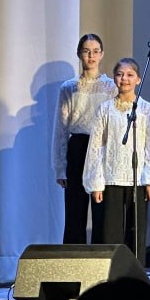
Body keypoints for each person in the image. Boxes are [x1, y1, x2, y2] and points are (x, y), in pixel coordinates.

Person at [83, 58, 150, 259]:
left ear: (138, 79)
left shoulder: (146, 109)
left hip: (137, 179)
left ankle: (135, 273)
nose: (124, 79)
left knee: (136, 233)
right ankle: (110, 274)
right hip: (111, 177)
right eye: (119, 74)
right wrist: (96, 182)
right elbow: (95, 147)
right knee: (110, 233)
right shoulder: (105, 109)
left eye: (129, 75)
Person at [52, 34, 113, 243]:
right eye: (86, 51)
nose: (91, 56)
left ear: (102, 54)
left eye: (95, 51)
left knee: (102, 207)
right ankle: (73, 254)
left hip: (102, 147)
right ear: (79, 54)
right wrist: (60, 166)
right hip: (78, 146)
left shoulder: (111, 86)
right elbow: (61, 129)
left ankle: (101, 256)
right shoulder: (68, 87)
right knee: (75, 208)